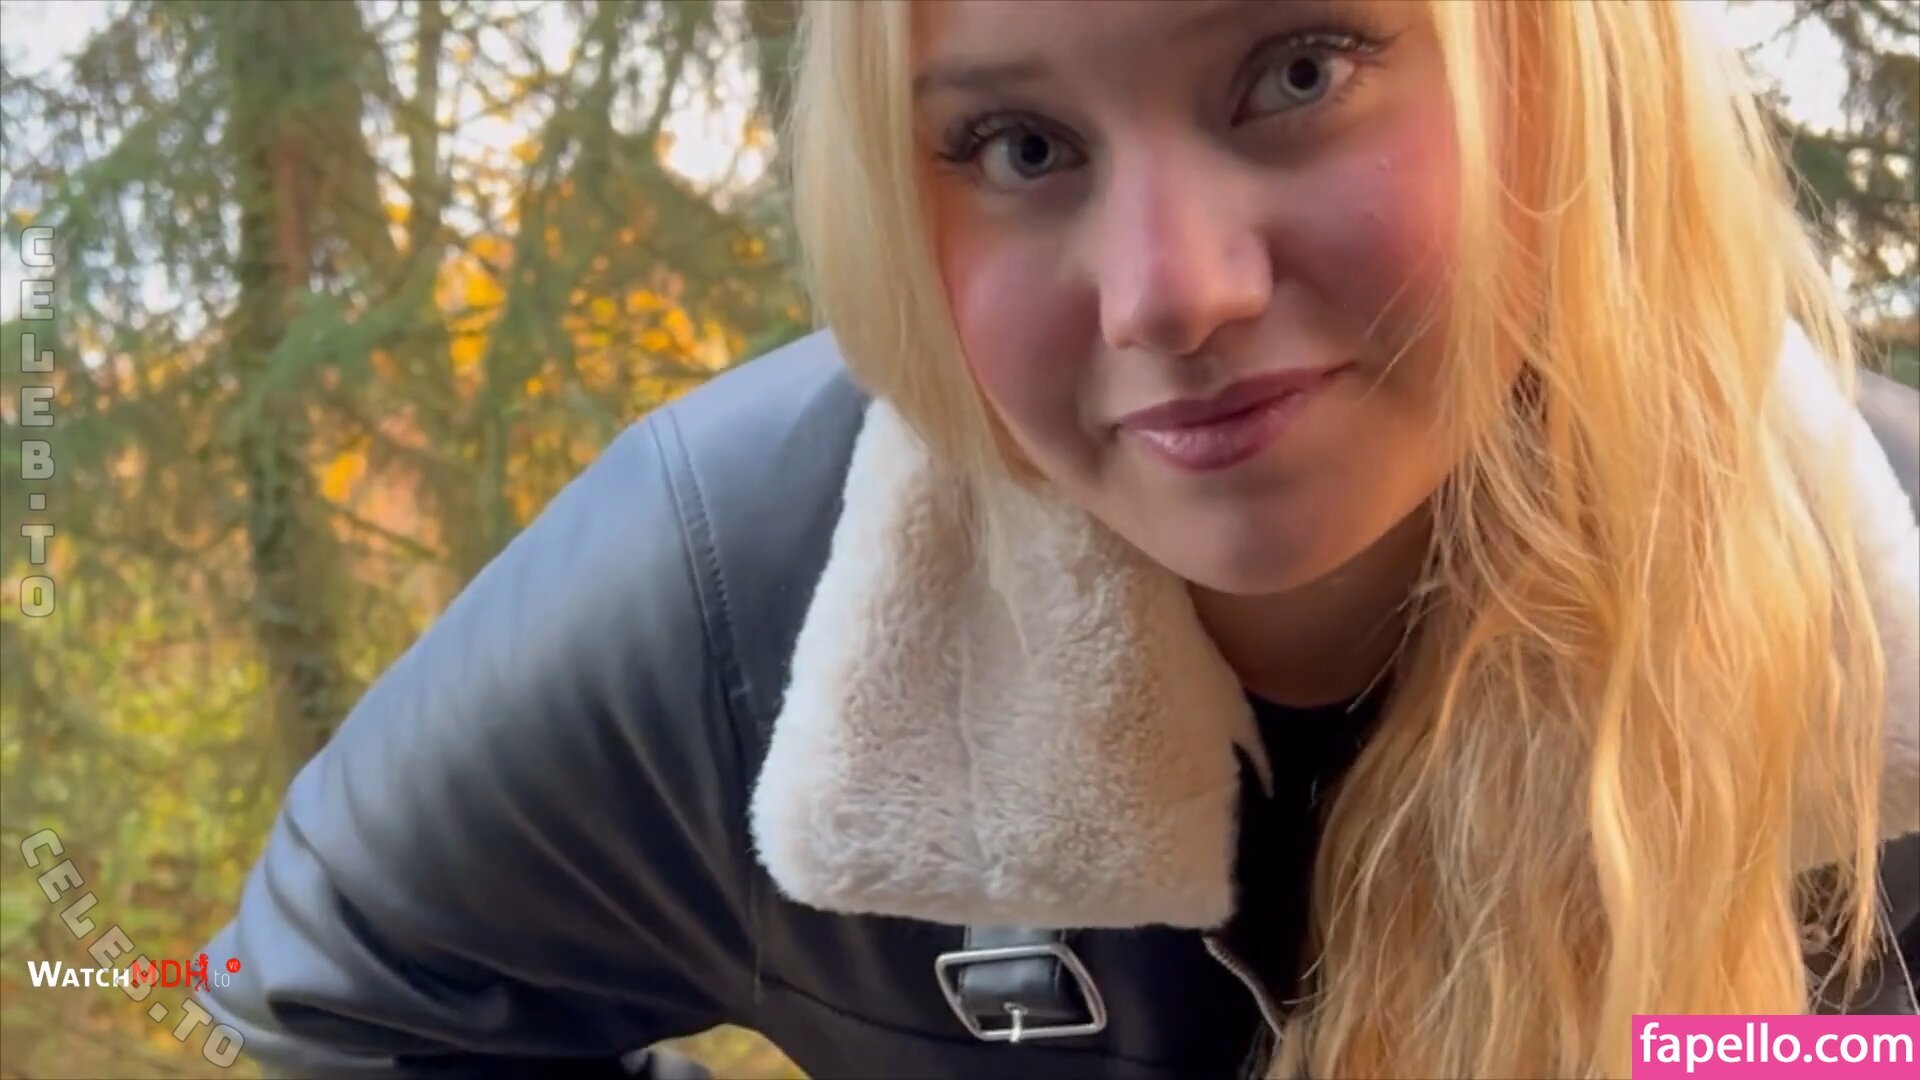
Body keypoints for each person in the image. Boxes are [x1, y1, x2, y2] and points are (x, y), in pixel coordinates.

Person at [197, 1, 1920, 1077]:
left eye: (1297, 71)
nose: (1169, 291)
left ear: (1557, 72)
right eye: (1019, 146)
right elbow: (348, 995)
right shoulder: (739, 597)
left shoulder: (1882, 605)